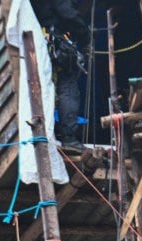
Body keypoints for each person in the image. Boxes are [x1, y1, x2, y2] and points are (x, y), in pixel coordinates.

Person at [31, 0, 89, 149]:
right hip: (57, 41)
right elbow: (67, 13)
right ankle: (68, 137)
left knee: (41, 86)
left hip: (37, 41)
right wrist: (85, 35)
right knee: (68, 87)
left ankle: (41, 131)